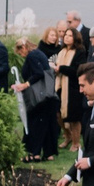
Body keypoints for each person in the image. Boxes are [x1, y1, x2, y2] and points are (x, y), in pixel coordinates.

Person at [21, 30, 59, 160]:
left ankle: (35, 152)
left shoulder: (32, 56)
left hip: (40, 96)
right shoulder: (39, 53)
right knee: (48, 123)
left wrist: (25, 84)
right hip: (47, 94)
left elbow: (38, 73)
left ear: (24, 48)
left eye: (20, 52)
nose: (21, 55)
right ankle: (48, 153)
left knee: (37, 123)